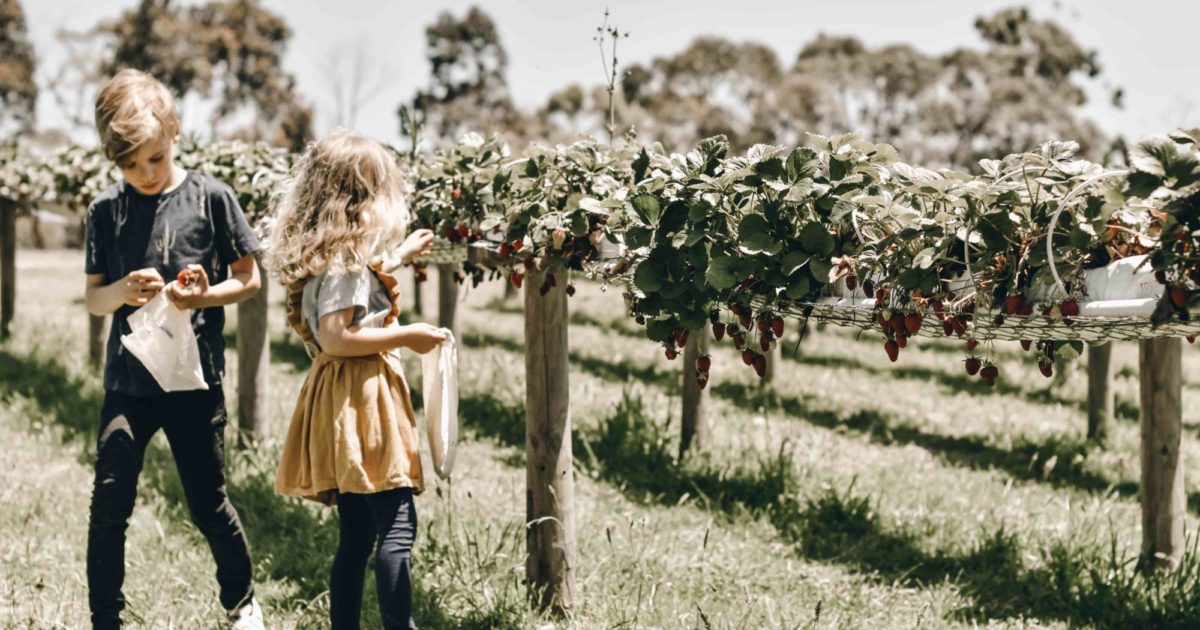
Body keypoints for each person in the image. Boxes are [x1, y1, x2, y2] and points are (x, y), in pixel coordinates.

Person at [82, 69, 264, 629]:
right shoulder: (105, 211)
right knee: (109, 501)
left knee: (208, 503)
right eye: (130, 165)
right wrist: (122, 291)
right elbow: (94, 300)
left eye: (154, 159)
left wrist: (205, 296)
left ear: (176, 132)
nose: (144, 174)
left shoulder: (212, 198)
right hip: (128, 384)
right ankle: (104, 616)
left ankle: (241, 601)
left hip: (194, 382)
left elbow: (250, 278)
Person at [265, 130, 443, 630]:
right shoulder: (345, 264)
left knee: (356, 536)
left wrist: (400, 256)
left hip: (340, 401)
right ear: (359, 203)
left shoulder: (336, 258)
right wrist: (406, 335)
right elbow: (338, 335)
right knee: (397, 526)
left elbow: (355, 286)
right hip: (363, 401)